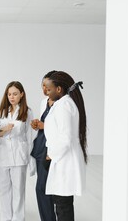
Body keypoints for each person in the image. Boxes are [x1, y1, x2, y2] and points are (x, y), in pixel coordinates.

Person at [43, 71, 87, 221]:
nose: (47, 93)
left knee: (62, 207)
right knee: (63, 205)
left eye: (49, 90)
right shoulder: (65, 103)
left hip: (64, 161)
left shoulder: (63, 105)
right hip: (64, 160)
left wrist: (50, 155)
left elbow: (65, 138)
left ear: (59, 89)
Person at [0, 81, 34, 221]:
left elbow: (30, 136)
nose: (12, 97)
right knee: (3, 191)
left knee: (18, 191)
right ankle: (5, 218)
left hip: (19, 156)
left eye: (15, 94)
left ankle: (18, 218)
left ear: (22, 94)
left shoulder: (27, 112)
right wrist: (3, 130)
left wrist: (31, 161)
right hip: (2, 155)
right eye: (9, 94)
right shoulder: (1, 110)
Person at [30, 71, 57, 221]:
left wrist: (43, 125)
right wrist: (37, 124)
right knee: (41, 188)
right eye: (43, 86)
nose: (44, 90)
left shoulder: (61, 104)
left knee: (48, 189)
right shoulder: (44, 102)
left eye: (48, 87)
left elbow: (60, 128)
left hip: (53, 150)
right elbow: (44, 124)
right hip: (41, 147)